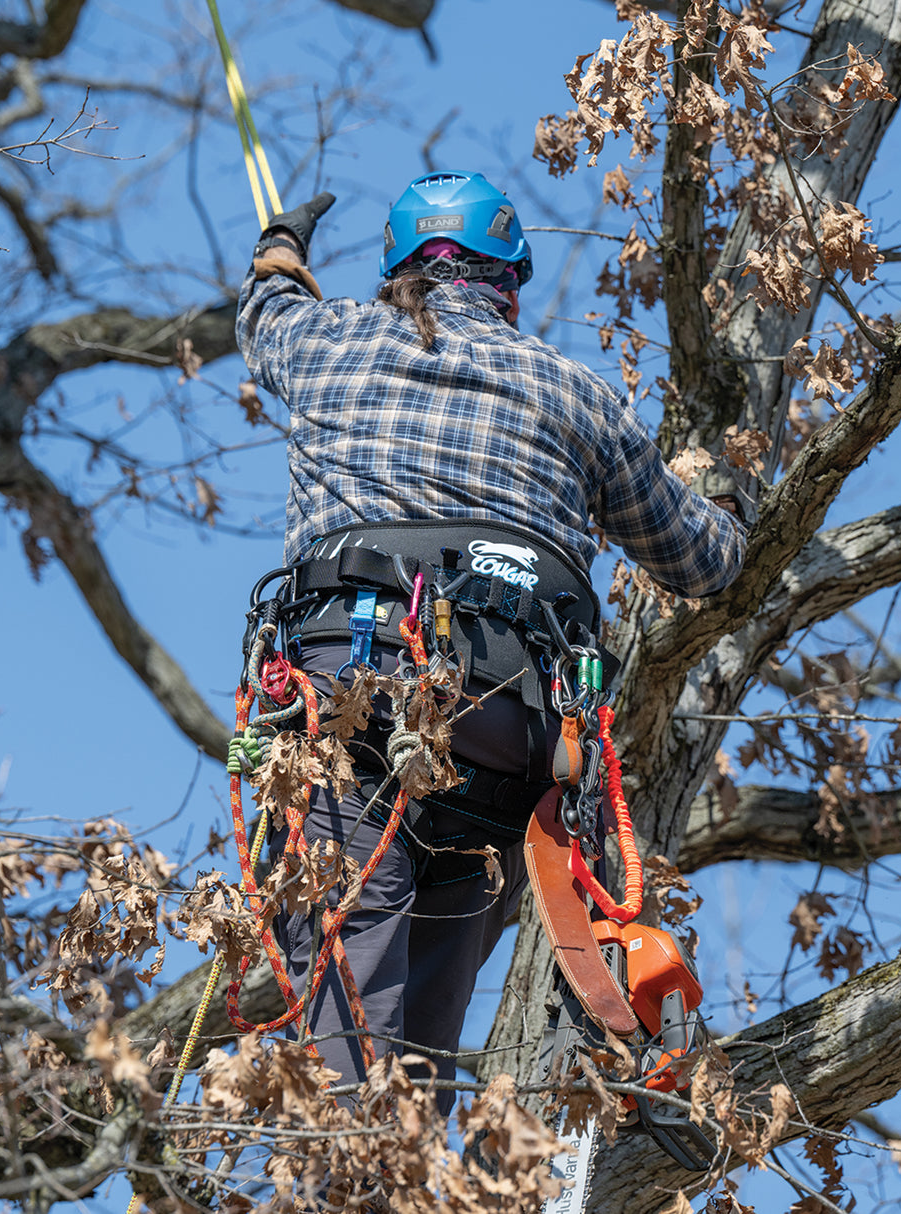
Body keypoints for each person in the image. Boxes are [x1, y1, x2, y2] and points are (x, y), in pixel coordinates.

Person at [235, 170, 746, 1114]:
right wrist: (734, 505)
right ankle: (408, 1156)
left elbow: (263, 310)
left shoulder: (326, 340)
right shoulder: (574, 393)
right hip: (512, 728)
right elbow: (703, 560)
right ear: (508, 281)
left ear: (397, 272)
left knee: (349, 976)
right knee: (430, 1000)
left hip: (353, 691)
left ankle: (354, 1162)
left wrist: (281, 246)